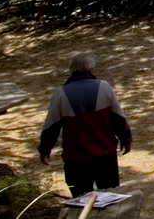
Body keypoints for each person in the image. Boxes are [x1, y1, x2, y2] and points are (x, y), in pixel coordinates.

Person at [39, 52, 132, 197]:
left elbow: (51, 126)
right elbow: (118, 118)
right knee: (110, 198)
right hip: (105, 156)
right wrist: (126, 140)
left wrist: (44, 149)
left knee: (81, 201)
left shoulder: (61, 94)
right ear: (91, 70)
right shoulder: (104, 87)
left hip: (75, 160)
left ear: (72, 70)